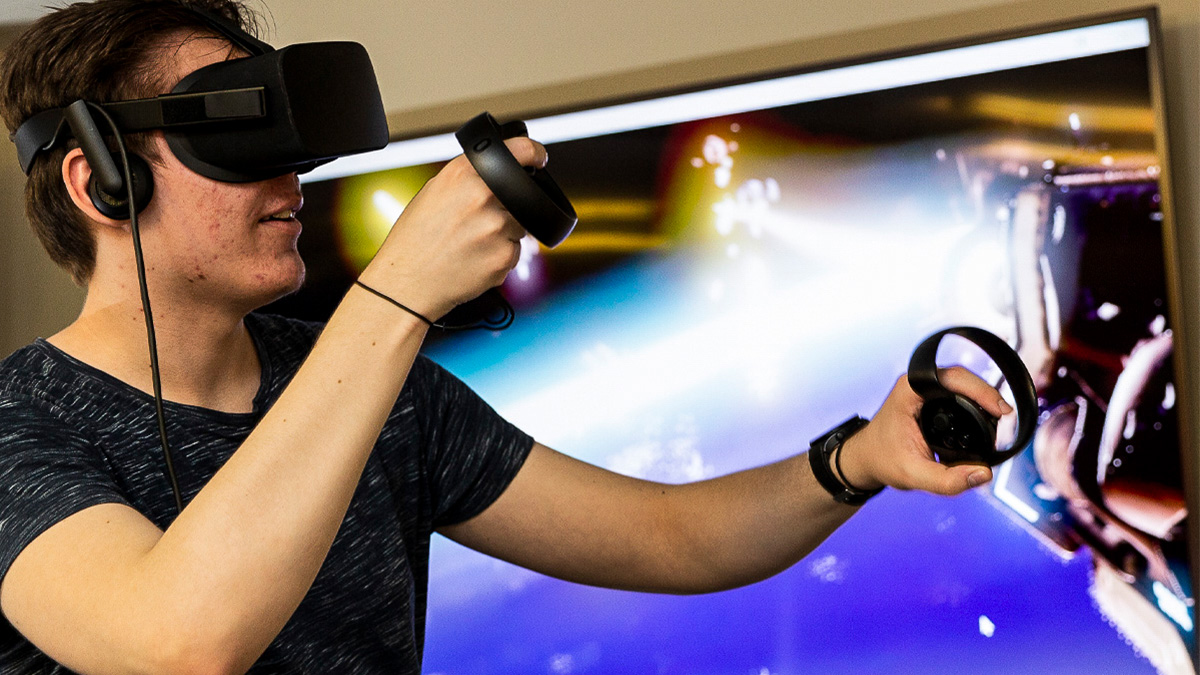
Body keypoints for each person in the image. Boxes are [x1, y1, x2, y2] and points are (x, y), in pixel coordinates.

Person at [0, 1, 1010, 672]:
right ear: (101, 182)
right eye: (232, 135)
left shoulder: (380, 395)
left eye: (288, 140)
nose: (287, 177)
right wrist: (397, 295)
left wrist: (858, 458)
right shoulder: (18, 425)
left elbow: (675, 539)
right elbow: (174, 646)